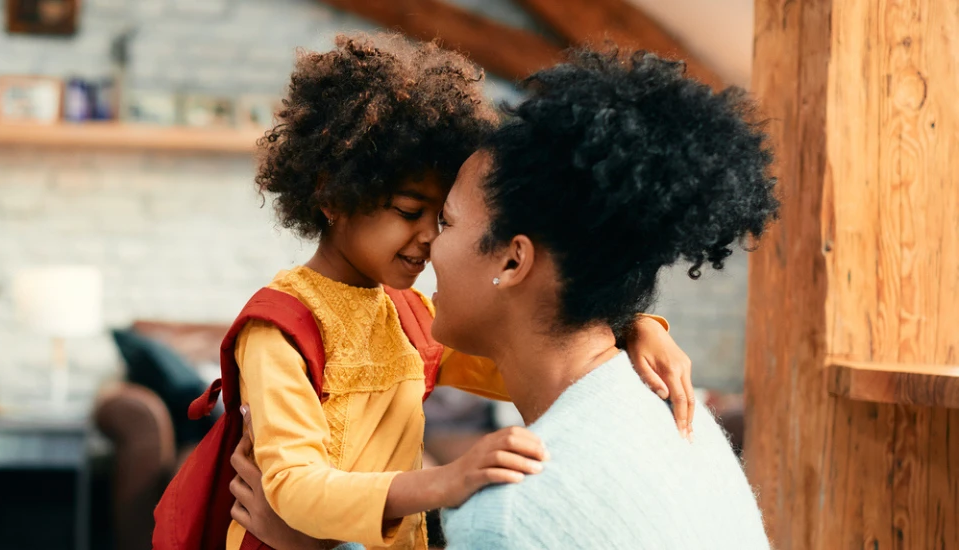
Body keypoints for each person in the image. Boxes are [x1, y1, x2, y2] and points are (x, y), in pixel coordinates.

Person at [231, 48, 778, 549]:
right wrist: (626, 324)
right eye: (413, 213)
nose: (429, 242)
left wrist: (635, 325)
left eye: (444, 220)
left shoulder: (507, 515)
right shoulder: (674, 415)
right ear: (333, 197)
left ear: (514, 260)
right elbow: (292, 484)